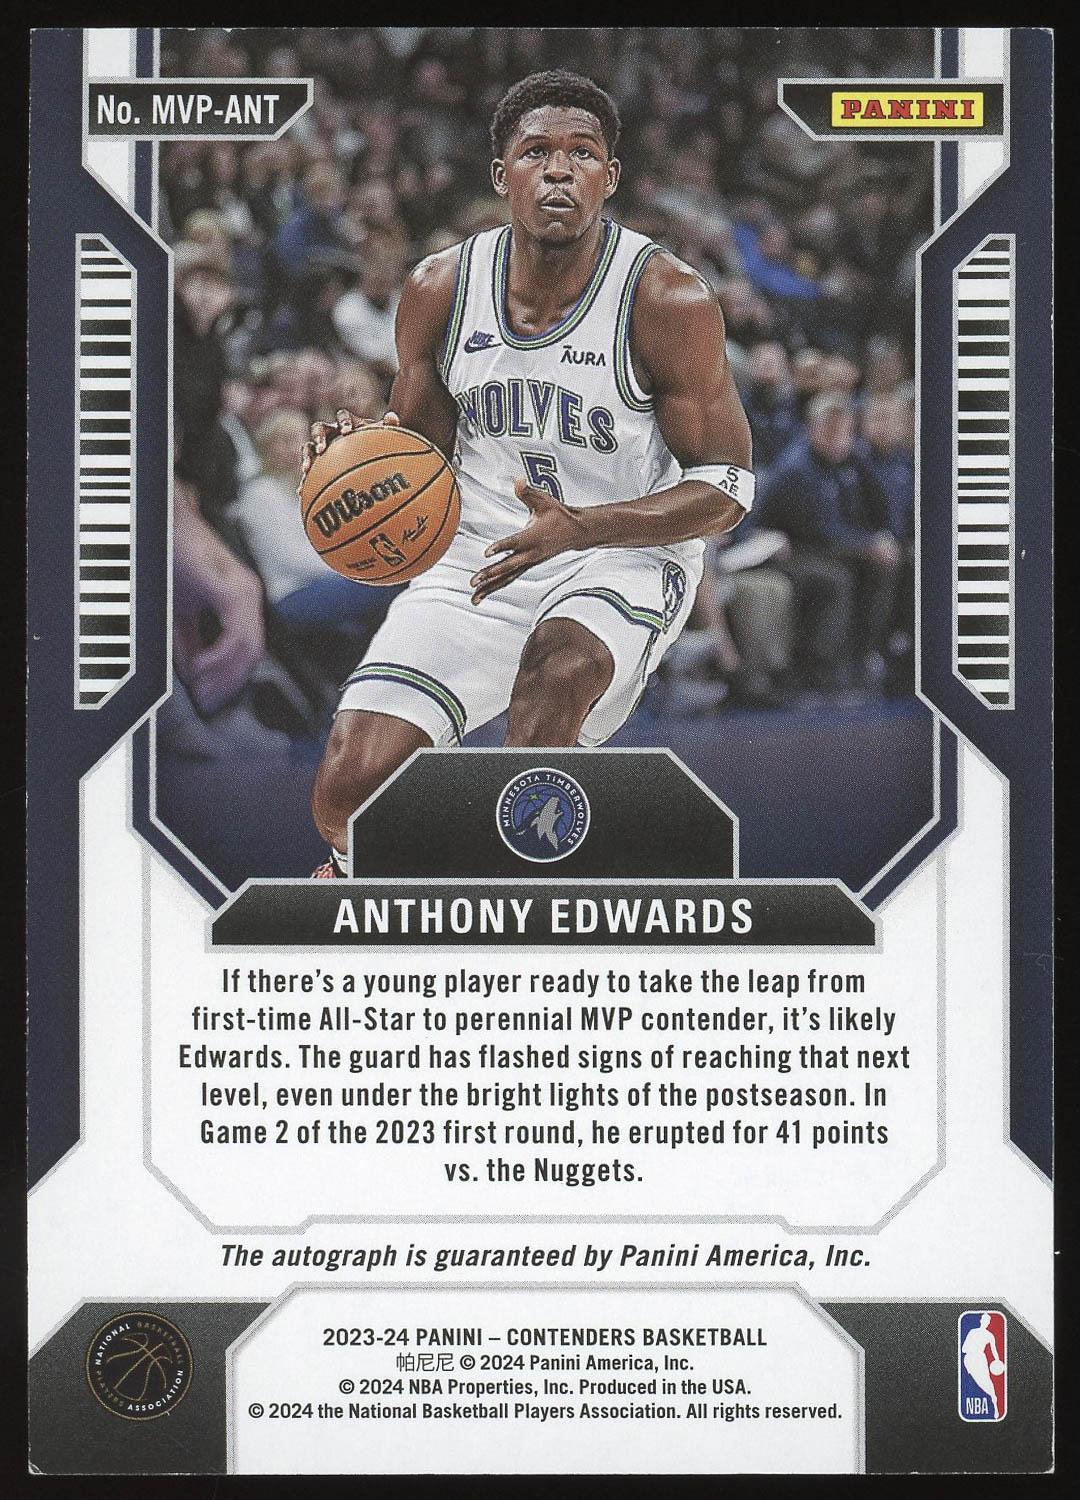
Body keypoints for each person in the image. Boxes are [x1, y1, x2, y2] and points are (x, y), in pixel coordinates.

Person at [301, 70, 753, 876]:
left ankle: (523, 913)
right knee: (346, 794)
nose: (559, 170)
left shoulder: (666, 298)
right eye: (537, 152)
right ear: (500, 173)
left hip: (622, 554)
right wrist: (355, 457)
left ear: (609, 177)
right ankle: (359, 880)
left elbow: (729, 487)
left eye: (583, 153)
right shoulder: (439, 289)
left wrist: (584, 528)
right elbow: (421, 451)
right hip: (482, 551)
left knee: (556, 676)